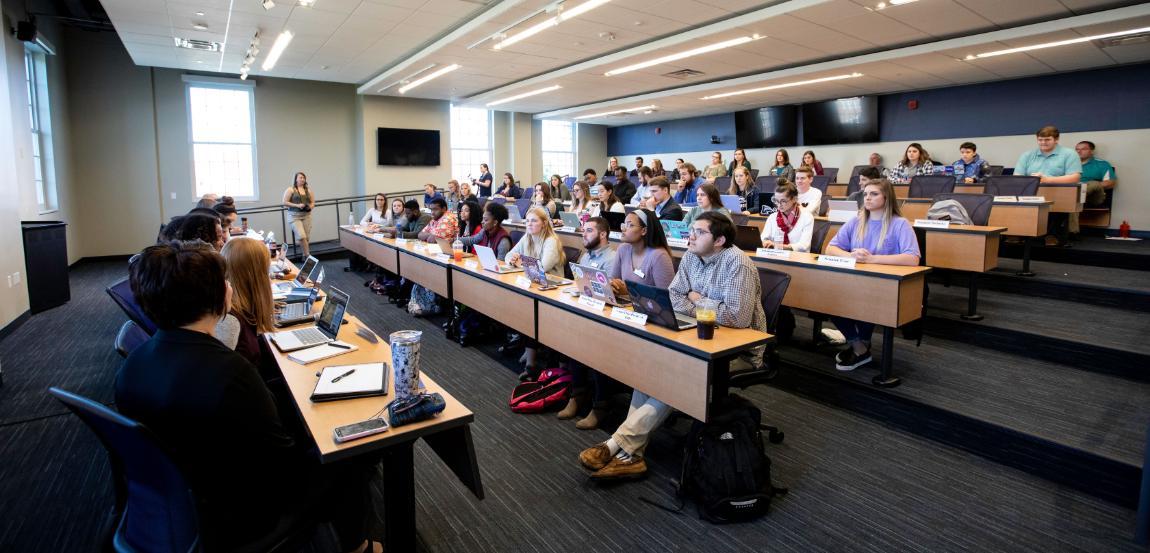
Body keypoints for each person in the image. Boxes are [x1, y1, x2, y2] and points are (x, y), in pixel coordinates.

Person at [117, 241, 375, 552]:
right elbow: (284, 463)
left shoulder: (135, 362)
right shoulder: (229, 373)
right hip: (247, 509)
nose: (230, 286)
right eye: (225, 281)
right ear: (215, 295)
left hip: (193, 493)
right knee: (353, 444)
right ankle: (358, 546)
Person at [579, 211, 765, 480]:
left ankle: (617, 445)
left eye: (700, 232)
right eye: (693, 230)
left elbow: (737, 317)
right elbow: (674, 297)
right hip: (697, 333)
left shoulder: (738, 264)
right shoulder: (692, 255)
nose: (692, 235)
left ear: (720, 240)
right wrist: (700, 300)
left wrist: (697, 299)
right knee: (652, 369)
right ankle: (630, 453)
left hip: (738, 349)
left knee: (676, 374)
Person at [825, 178, 920, 371]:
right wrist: (851, 255)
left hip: (881, 285)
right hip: (853, 280)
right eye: (866, 194)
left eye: (874, 194)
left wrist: (872, 259)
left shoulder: (900, 224)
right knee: (827, 299)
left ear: (886, 197)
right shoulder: (856, 221)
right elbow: (831, 248)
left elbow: (913, 258)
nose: (867, 198)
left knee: (867, 300)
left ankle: (859, 348)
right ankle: (859, 345)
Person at [506, 207, 567, 378]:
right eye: (527, 220)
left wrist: (519, 263)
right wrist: (514, 261)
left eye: (534, 221)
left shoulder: (551, 241)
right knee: (527, 315)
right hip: (533, 284)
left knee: (533, 314)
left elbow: (543, 267)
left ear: (544, 223)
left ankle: (542, 363)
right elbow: (508, 255)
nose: (529, 224)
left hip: (553, 289)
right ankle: (531, 362)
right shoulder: (528, 237)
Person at [215, 237, 276, 372]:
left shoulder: (239, 309)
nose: (269, 276)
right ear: (256, 274)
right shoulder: (230, 320)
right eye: (266, 269)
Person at [1015, 126, 1081, 245]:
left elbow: (1075, 177)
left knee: (1054, 205)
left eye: (1047, 140)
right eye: (1040, 140)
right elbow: (1017, 176)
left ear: (1056, 139)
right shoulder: (1027, 155)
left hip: (1059, 192)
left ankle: (1051, 235)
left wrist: (1047, 179)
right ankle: (1017, 233)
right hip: (1031, 192)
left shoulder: (1069, 154)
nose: (1043, 143)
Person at [760, 181, 813, 252]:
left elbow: (803, 246)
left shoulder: (807, 217)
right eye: (776, 201)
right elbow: (763, 238)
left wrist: (780, 246)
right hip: (775, 255)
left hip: (798, 258)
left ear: (794, 199)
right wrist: (765, 242)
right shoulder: (772, 217)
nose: (779, 205)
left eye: (783, 201)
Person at [283, 171, 315, 258]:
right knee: (301, 236)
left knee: (306, 238)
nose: (302, 179)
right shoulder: (290, 189)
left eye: (303, 178)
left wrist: (310, 207)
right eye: (300, 177)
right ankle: (308, 256)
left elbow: (312, 203)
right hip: (294, 216)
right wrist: (297, 205)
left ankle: (304, 256)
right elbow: (285, 202)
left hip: (306, 216)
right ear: (295, 179)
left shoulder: (308, 190)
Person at [1076, 140, 1117, 208]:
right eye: (1077, 149)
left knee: (1093, 184)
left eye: (1083, 149)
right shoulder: (1069, 164)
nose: (1079, 151)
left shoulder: (1102, 164)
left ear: (1092, 151)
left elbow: (1110, 183)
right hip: (1072, 192)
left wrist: (1085, 186)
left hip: (1093, 196)